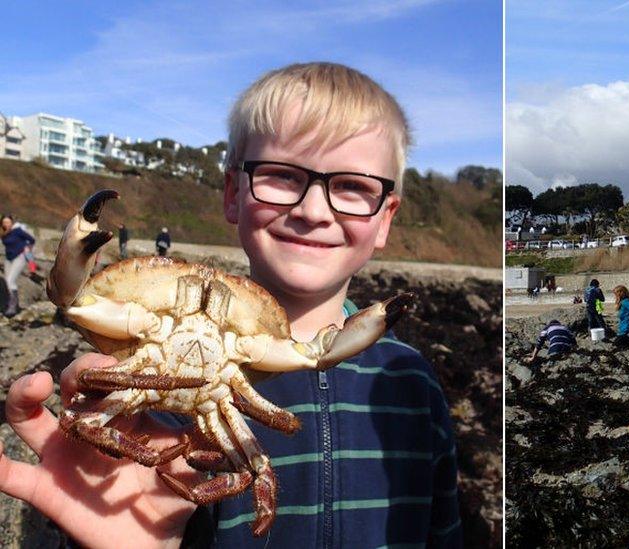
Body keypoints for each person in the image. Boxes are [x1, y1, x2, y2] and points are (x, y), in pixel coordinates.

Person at [0, 62, 462, 547]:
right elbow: (71, 298)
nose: (312, 210)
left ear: (385, 219)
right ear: (232, 194)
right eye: (282, 176)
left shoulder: (411, 383)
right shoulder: (151, 417)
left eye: (352, 187)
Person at [1, 214, 36, 318]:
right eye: (4, 222)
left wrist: (28, 248)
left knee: (10, 281)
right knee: (8, 282)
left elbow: (32, 239)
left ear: (12, 223)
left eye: (8, 222)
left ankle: (12, 307)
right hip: (8, 258)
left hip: (20, 256)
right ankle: (12, 305)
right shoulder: (3, 232)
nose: (6, 224)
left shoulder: (18, 231)